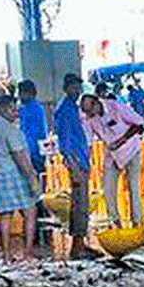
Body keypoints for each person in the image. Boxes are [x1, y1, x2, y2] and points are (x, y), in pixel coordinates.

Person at [0, 95, 41, 262]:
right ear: (1, 109)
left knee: (5, 215)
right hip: (13, 175)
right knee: (30, 211)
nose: (16, 113)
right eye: (12, 109)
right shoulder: (9, 129)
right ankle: (27, 253)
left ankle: (7, 256)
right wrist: (31, 176)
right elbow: (19, 155)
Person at [80, 95, 144, 228]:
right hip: (112, 153)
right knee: (108, 187)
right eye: (86, 112)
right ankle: (114, 221)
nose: (89, 114)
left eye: (90, 110)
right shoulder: (88, 118)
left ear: (97, 103)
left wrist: (123, 139)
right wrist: (86, 161)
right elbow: (88, 141)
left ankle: (137, 222)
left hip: (131, 149)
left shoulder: (115, 107)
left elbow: (139, 123)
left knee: (133, 186)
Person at [53, 73, 91, 258]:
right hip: (76, 160)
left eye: (79, 87)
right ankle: (77, 246)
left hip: (80, 158)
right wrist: (72, 165)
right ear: (66, 88)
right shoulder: (66, 110)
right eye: (73, 87)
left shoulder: (70, 107)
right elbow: (66, 140)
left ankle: (80, 242)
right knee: (80, 202)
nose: (77, 91)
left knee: (80, 201)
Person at [17, 80, 48, 175]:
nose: (19, 96)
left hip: (29, 151)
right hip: (40, 150)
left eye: (21, 93)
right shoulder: (40, 108)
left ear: (27, 93)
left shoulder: (23, 110)